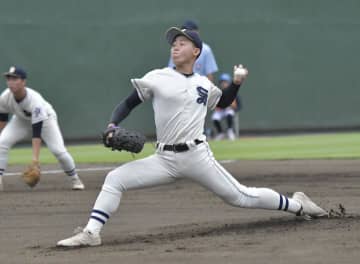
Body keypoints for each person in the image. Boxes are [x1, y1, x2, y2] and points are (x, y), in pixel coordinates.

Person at [57, 27, 327, 247]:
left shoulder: (203, 84)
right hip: (164, 159)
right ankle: (92, 232)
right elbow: (128, 103)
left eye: (182, 42)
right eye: (173, 42)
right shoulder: (157, 77)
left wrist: (236, 82)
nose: (175, 46)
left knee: (241, 197)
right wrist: (113, 123)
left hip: (197, 156)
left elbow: (222, 103)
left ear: (196, 51)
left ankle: (298, 204)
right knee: (115, 179)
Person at [0, 66, 85, 191]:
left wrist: (35, 160)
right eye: (9, 78)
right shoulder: (5, 97)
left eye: (15, 78)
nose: (11, 82)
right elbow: (2, 119)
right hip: (21, 120)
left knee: (58, 151)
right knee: (2, 142)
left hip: (46, 121)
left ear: (23, 81)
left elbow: (36, 133)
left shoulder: (35, 101)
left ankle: (75, 179)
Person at [212, 73, 241, 140]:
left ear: (229, 82)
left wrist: (234, 107)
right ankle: (220, 133)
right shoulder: (218, 92)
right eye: (222, 82)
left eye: (225, 82)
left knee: (229, 113)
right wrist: (217, 107)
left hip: (229, 110)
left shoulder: (233, 92)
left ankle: (230, 131)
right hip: (220, 111)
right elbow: (214, 104)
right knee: (215, 117)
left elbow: (239, 106)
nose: (223, 84)